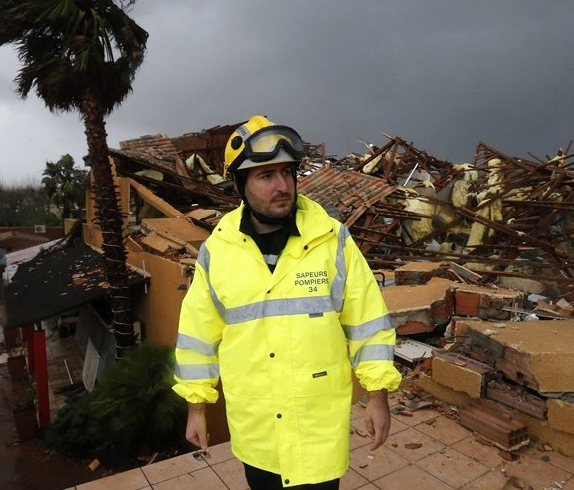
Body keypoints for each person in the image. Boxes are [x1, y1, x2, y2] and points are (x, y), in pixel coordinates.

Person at [172, 115, 402, 489]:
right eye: (266, 176)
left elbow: (369, 322)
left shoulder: (332, 241)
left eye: (287, 173)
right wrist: (196, 407)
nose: (282, 186)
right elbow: (198, 336)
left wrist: (378, 397)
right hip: (258, 434)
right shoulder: (219, 251)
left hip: (318, 432)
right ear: (240, 184)